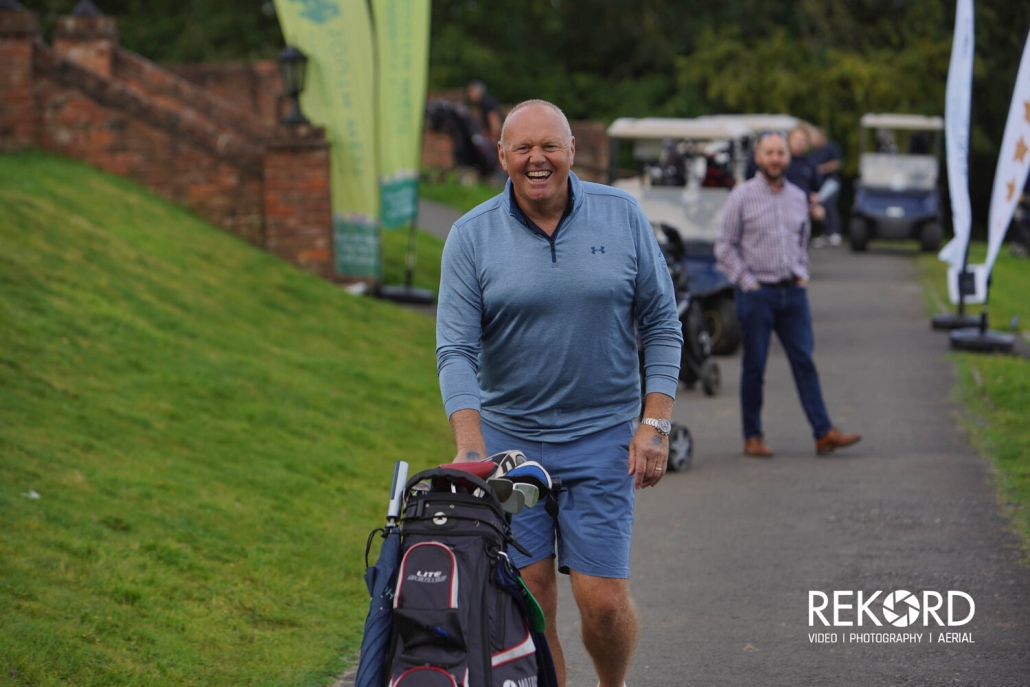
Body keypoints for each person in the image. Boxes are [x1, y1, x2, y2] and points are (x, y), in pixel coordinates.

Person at [436, 99, 683, 687]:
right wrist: (471, 448)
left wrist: (655, 424)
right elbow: (456, 351)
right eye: (522, 148)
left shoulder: (621, 215)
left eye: (550, 146)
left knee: (602, 603)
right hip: (511, 446)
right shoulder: (470, 237)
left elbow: (663, 324)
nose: (536, 159)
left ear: (572, 150)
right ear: (502, 156)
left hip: (602, 436)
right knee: (532, 597)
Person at [714, 132, 861, 459]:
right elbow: (724, 247)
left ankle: (823, 433)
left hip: (792, 294)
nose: (776, 158)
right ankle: (752, 436)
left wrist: (802, 273)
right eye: (769, 153)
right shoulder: (742, 196)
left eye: (780, 152)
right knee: (755, 367)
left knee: (804, 362)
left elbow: (802, 240)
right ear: (759, 156)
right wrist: (747, 282)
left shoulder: (797, 196)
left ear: (788, 158)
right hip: (757, 295)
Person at [809, 127, 844, 246]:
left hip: (831, 181)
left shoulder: (831, 147)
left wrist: (822, 169)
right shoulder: (814, 151)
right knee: (821, 206)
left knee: (830, 205)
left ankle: (835, 232)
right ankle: (826, 233)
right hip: (820, 183)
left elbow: (838, 163)